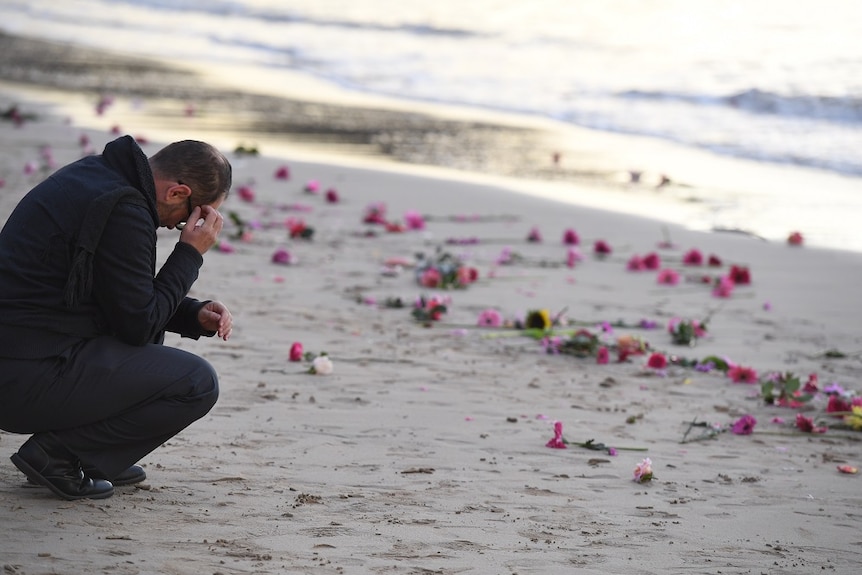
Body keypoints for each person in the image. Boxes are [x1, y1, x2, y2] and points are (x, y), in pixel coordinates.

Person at [0, 135, 234, 501]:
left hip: (21, 360)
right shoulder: (125, 208)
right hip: (21, 377)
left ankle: (93, 453)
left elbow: (119, 295)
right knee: (197, 382)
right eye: (188, 217)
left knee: (146, 345)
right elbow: (138, 324)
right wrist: (190, 253)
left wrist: (191, 313)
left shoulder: (99, 174)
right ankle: (59, 454)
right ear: (177, 193)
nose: (177, 228)